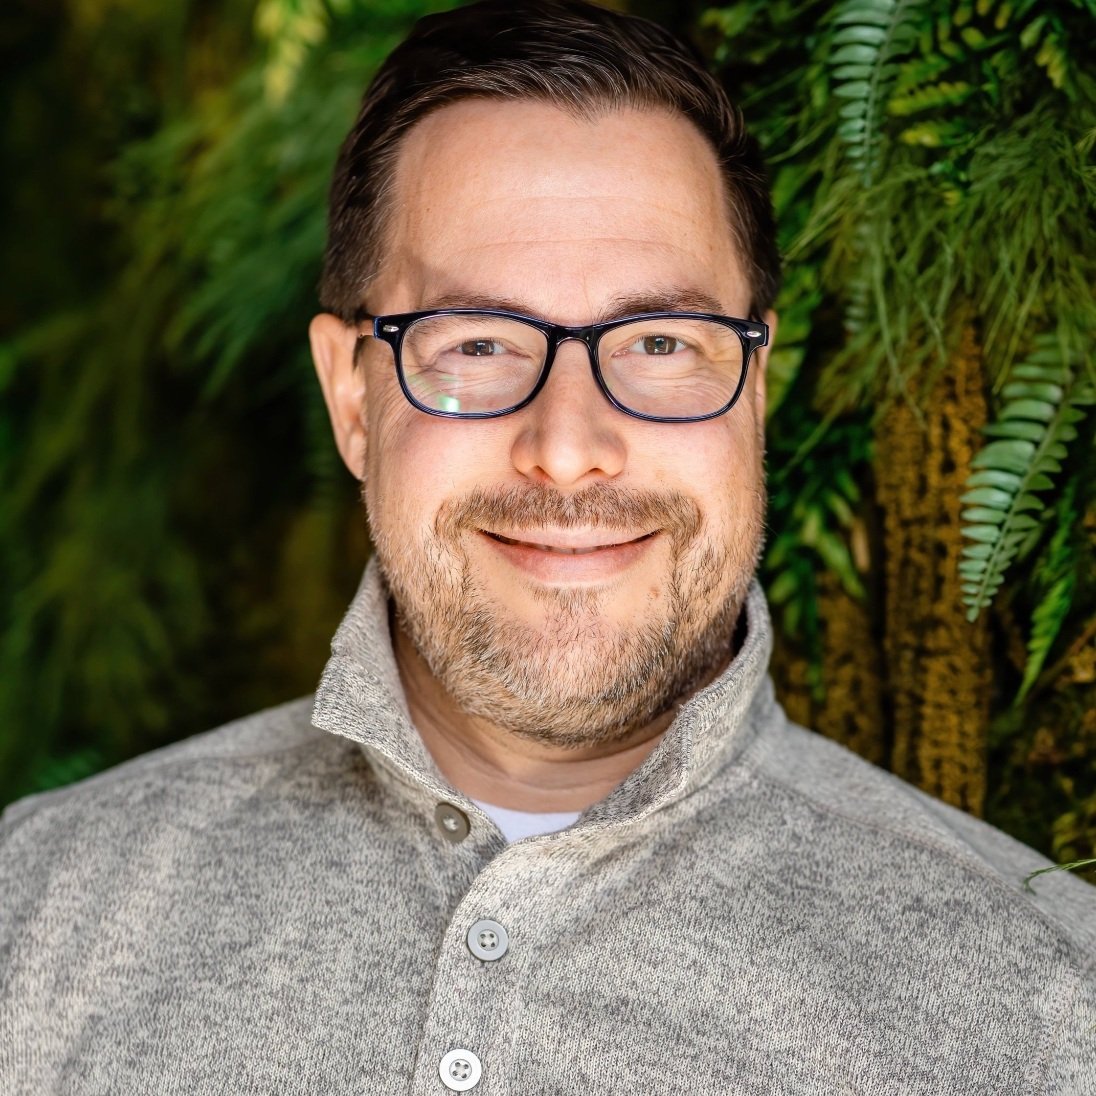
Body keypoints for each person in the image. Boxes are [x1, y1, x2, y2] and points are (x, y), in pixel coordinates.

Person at [1, 1, 1093, 1092]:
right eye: (477, 342)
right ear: (350, 396)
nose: (567, 449)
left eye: (662, 341)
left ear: (752, 390)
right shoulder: (31, 918)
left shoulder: (1046, 1009)